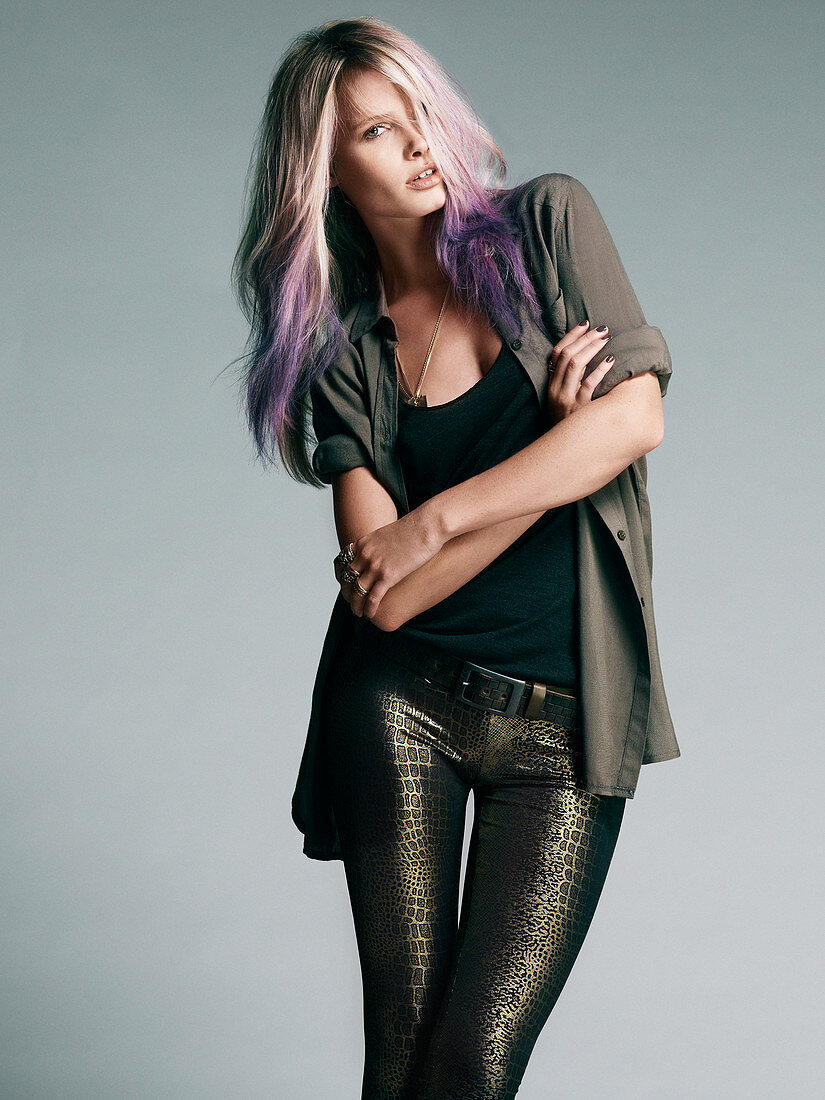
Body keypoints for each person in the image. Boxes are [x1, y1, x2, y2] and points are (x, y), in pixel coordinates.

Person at [232, 16, 681, 1100]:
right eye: (383, 132)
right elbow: (383, 595)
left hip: (567, 721)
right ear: (327, 173)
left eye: (423, 114)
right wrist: (546, 458)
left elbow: (631, 424)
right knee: (402, 1053)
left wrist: (432, 519)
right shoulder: (347, 354)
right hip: (398, 706)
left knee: (474, 1062)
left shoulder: (548, 227)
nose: (424, 146)